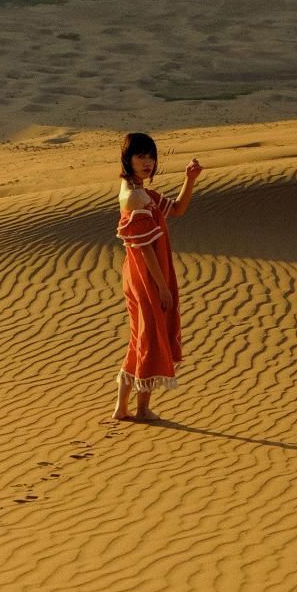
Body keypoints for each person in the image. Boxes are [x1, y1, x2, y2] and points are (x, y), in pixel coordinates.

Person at [112, 132, 202, 423]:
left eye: (151, 156)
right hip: (146, 275)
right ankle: (142, 409)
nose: (147, 162)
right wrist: (162, 287)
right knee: (150, 337)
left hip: (139, 273)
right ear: (128, 159)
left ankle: (121, 408)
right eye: (140, 156)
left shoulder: (140, 192)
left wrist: (190, 179)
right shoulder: (136, 196)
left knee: (139, 337)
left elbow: (177, 208)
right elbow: (145, 248)